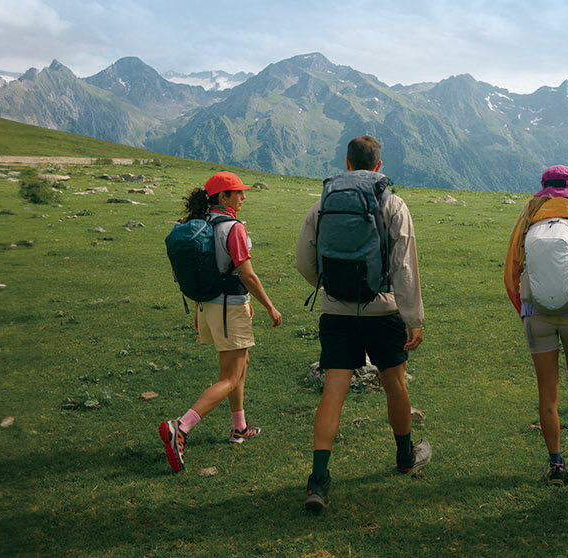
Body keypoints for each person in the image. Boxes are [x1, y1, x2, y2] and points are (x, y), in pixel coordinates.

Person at [295, 135, 428, 512]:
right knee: (394, 384)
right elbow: (404, 267)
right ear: (379, 166)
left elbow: (304, 261)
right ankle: (405, 456)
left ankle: (318, 479)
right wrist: (413, 318)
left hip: (335, 312)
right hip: (383, 312)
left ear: (347, 163)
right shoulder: (393, 203)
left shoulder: (324, 202)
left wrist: (330, 288)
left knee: (332, 392)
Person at [159, 171, 283, 473]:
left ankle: (239, 427)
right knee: (229, 377)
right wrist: (269, 306)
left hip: (210, 307)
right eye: (237, 192)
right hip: (229, 308)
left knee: (241, 364)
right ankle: (181, 427)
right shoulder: (233, 228)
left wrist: (202, 310)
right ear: (223, 197)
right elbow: (247, 275)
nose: (243, 197)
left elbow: (206, 269)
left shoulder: (203, 224)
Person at [502, 165, 568, 486]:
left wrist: (525, 312)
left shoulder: (527, 220)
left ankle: (555, 463)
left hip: (536, 317)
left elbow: (510, 274)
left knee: (547, 392)